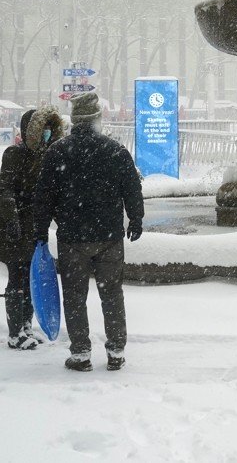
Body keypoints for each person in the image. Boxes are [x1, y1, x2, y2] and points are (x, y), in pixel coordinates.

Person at [33, 92, 145, 372]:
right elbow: (132, 188)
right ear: (97, 120)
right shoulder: (115, 150)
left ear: (74, 120)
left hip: (72, 238)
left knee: (74, 296)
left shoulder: (57, 152)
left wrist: (40, 230)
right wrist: (135, 219)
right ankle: (116, 350)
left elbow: (43, 196)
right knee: (112, 294)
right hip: (109, 236)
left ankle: (81, 353)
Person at [0, 106, 65, 349]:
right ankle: (15, 333)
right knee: (17, 277)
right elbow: (5, 190)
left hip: (34, 226)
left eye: (48, 130)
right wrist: (11, 219)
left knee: (33, 278)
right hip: (13, 226)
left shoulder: (49, 155)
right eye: (41, 129)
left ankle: (26, 327)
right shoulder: (14, 153)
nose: (45, 134)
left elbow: (50, 195)